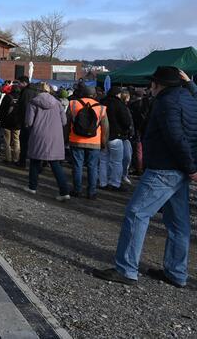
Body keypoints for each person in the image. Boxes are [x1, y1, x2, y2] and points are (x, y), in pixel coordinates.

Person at [94, 67, 197, 287]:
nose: (150, 87)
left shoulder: (166, 103)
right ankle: (176, 272)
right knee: (178, 223)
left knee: (137, 213)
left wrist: (191, 167)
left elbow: (175, 136)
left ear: (159, 85)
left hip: (164, 167)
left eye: (153, 83)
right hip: (180, 169)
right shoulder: (188, 98)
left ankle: (126, 269)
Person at [25, 83, 70, 200]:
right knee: (55, 164)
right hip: (55, 136)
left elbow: (29, 122)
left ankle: (32, 187)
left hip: (38, 134)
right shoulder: (58, 103)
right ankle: (64, 192)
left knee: (35, 161)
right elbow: (64, 121)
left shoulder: (33, 102)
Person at [67, 85, 109, 199]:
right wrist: (103, 143)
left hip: (76, 140)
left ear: (81, 93)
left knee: (77, 166)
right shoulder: (101, 108)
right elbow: (105, 128)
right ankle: (91, 192)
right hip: (94, 142)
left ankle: (77, 190)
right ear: (95, 95)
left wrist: (66, 138)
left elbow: (67, 123)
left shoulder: (73, 104)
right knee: (93, 167)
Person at [101, 86, 133, 191]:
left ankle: (102, 182)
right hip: (116, 136)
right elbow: (126, 121)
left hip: (102, 136)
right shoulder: (120, 105)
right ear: (118, 94)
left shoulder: (102, 102)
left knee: (103, 160)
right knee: (117, 161)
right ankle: (115, 183)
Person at [15, 77, 39, 168]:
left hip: (26, 121)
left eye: (19, 83)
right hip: (34, 121)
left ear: (24, 83)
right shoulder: (34, 91)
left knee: (24, 142)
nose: (18, 85)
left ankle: (22, 162)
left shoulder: (26, 92)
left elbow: (24, 107)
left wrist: (22, 120)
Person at [0, 85, 22, 163]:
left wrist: (2, 120)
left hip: (7, 122)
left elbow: (1, 109)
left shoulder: (7, 97)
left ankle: (8, 158)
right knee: (16, 140)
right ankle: (16, 158)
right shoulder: (21, 97)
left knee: (7, 141)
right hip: (17, 123)